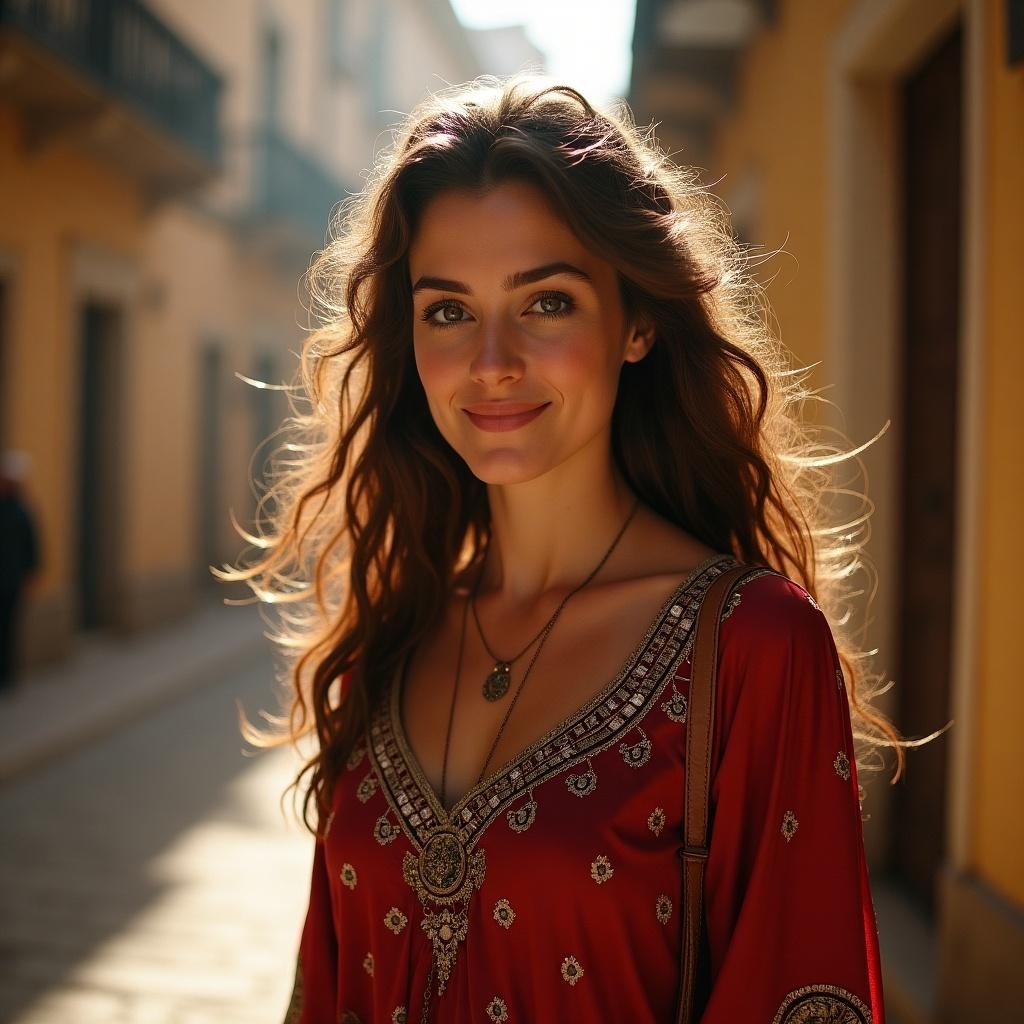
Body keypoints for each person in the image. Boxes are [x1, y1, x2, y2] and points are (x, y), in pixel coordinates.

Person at [223, 73, 906, 1023]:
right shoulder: (390, 638)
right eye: (448, 310)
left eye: (545, 303)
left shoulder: (753, 647)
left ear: (635, 324)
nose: (492, 360)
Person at [0, 449, 41, 694]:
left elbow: (32, 547)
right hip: (10, 578)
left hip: (11, 580)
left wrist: (30, 576)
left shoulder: (22, 511)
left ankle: (7, 676)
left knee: (8, 629)